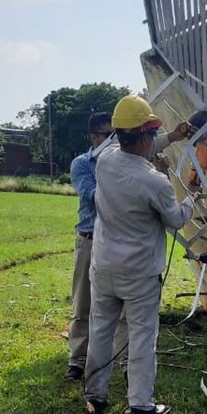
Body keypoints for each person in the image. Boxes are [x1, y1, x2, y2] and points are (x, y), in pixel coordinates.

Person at [83, 95, 196, 414]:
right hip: (139, 274)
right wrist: (192, 197)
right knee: (142, 337)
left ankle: (95, 396)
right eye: (153, 134)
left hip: (103, 266)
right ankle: (141, 407)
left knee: (100, 331)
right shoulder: (155, 182)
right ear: (145, 136)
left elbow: (134, 147)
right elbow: (175, 219)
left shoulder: (104, 160)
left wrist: (172, 137)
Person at [66, 112, 123, 381]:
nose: (114, 140)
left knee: (121, 304)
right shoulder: (82, 164)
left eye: (116, 134)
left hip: (118, 241)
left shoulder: (125, 163)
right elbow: (93, 196)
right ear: (94, 137)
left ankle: (121, 359)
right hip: (90, 239)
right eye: (107, 135)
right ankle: (77, 359)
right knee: (83, 303)